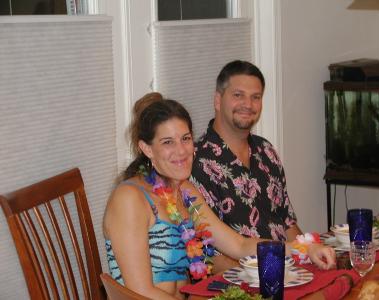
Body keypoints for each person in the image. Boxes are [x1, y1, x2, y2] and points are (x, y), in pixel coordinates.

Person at [103, 92, 336, 300]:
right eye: (167, 142)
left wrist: (302, 248)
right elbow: (139, 291)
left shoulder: (185, 192)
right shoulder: (130, 199)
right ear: (147, 149)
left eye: (185, 138)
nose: (181, 151)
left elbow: (238, 244)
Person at [191, 60, 306, 242]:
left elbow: (287, 223)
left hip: (285, 263)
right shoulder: (196, 161)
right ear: (218, 100)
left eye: (256, 97)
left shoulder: (266, 151)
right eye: (238, 95)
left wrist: (309, 252)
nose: (248, 104)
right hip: (239, 268)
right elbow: (208, 251)